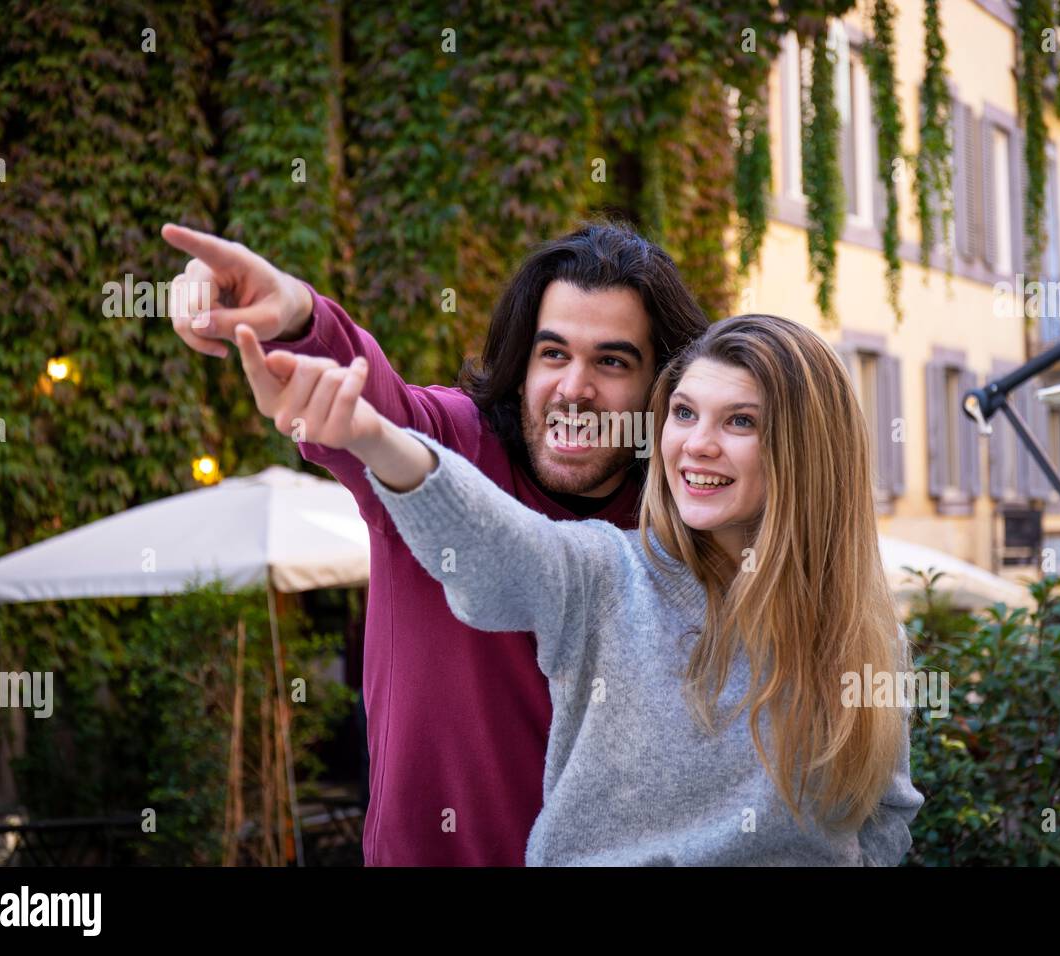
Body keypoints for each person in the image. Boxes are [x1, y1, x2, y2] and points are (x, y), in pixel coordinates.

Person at [232, 312, 925, 865]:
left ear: (806, 453)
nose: (697, 445)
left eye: (739, 421)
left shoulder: (863, 633)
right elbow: (493, 545)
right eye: (684, 414)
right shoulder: (605, 574)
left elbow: (885, 816)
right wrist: (371, 435)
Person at [162, 221, 708, 865]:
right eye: (553, 353)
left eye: (612, 361)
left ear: (662, 388)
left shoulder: (683, 528)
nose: (574, 389)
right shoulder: (450, 450)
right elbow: (375, 407)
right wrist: (294, 313)